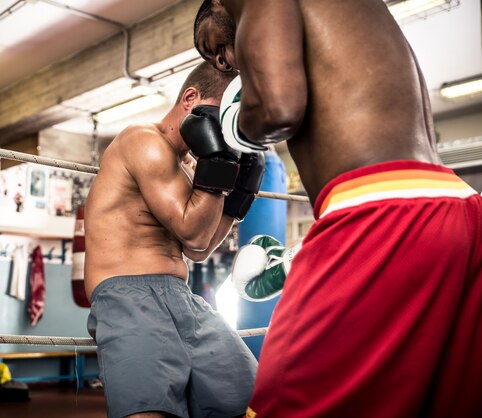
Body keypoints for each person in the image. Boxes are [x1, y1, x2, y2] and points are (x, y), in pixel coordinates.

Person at [193, 1, 482, 417]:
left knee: (286, 399)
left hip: (382, 212)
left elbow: (277, 110)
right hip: (455, 208)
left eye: (213, 47)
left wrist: (234, 126)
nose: (222, 61)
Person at [84, 62, 263, 418]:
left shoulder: (190, 166)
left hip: (180, 296)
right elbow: (193, 231)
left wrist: (236, 199)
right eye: (222, 115)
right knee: (150, 408)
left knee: (245, 392)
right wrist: (219, 166)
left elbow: (200, 248)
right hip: (126, 295)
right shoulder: (143, 141)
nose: (228, 130)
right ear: (191, 98)